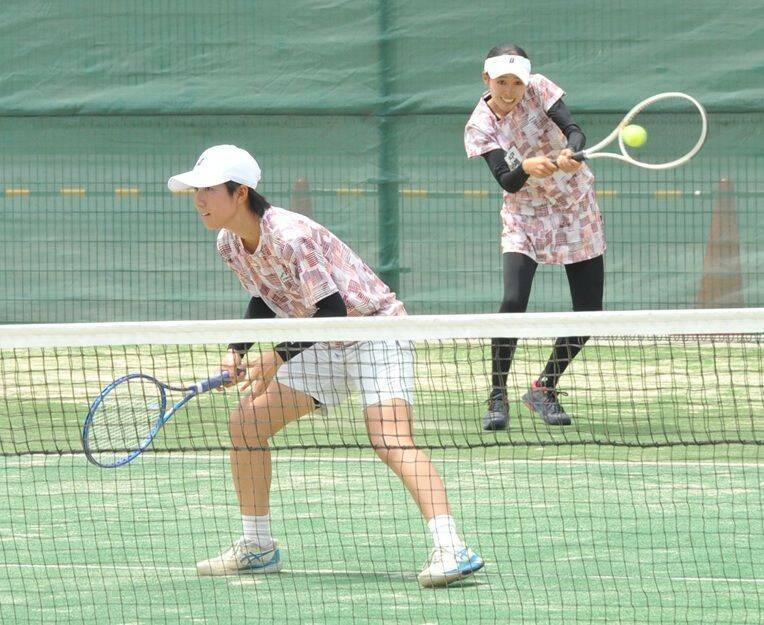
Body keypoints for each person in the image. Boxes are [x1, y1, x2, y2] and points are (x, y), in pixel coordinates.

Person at [167, 145, 484, 588]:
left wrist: (276, 356)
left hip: (373, 330)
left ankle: (452, 547)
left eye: (208, 190)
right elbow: (264, 295)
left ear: (240, 193)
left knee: (390, 438)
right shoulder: (229, 243)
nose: (198, 199)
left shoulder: (290, 235)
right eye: (195, 190)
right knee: (246, 424)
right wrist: (237, 349)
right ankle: (258, 546)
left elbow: (332, 308)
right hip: (322, 338)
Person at [464, 44, 606, 431]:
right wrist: (527, 166)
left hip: (575, 206)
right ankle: (497, 394)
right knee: (513, 300)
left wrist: (571, 151)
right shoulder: (481, 125)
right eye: (502, 82)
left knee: (590, 311)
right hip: (523, 215)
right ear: (487, 79)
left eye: (517, 83)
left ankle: (544, 387)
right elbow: (508, 181)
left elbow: (574, 130)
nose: (510, 91)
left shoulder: (540, 88)